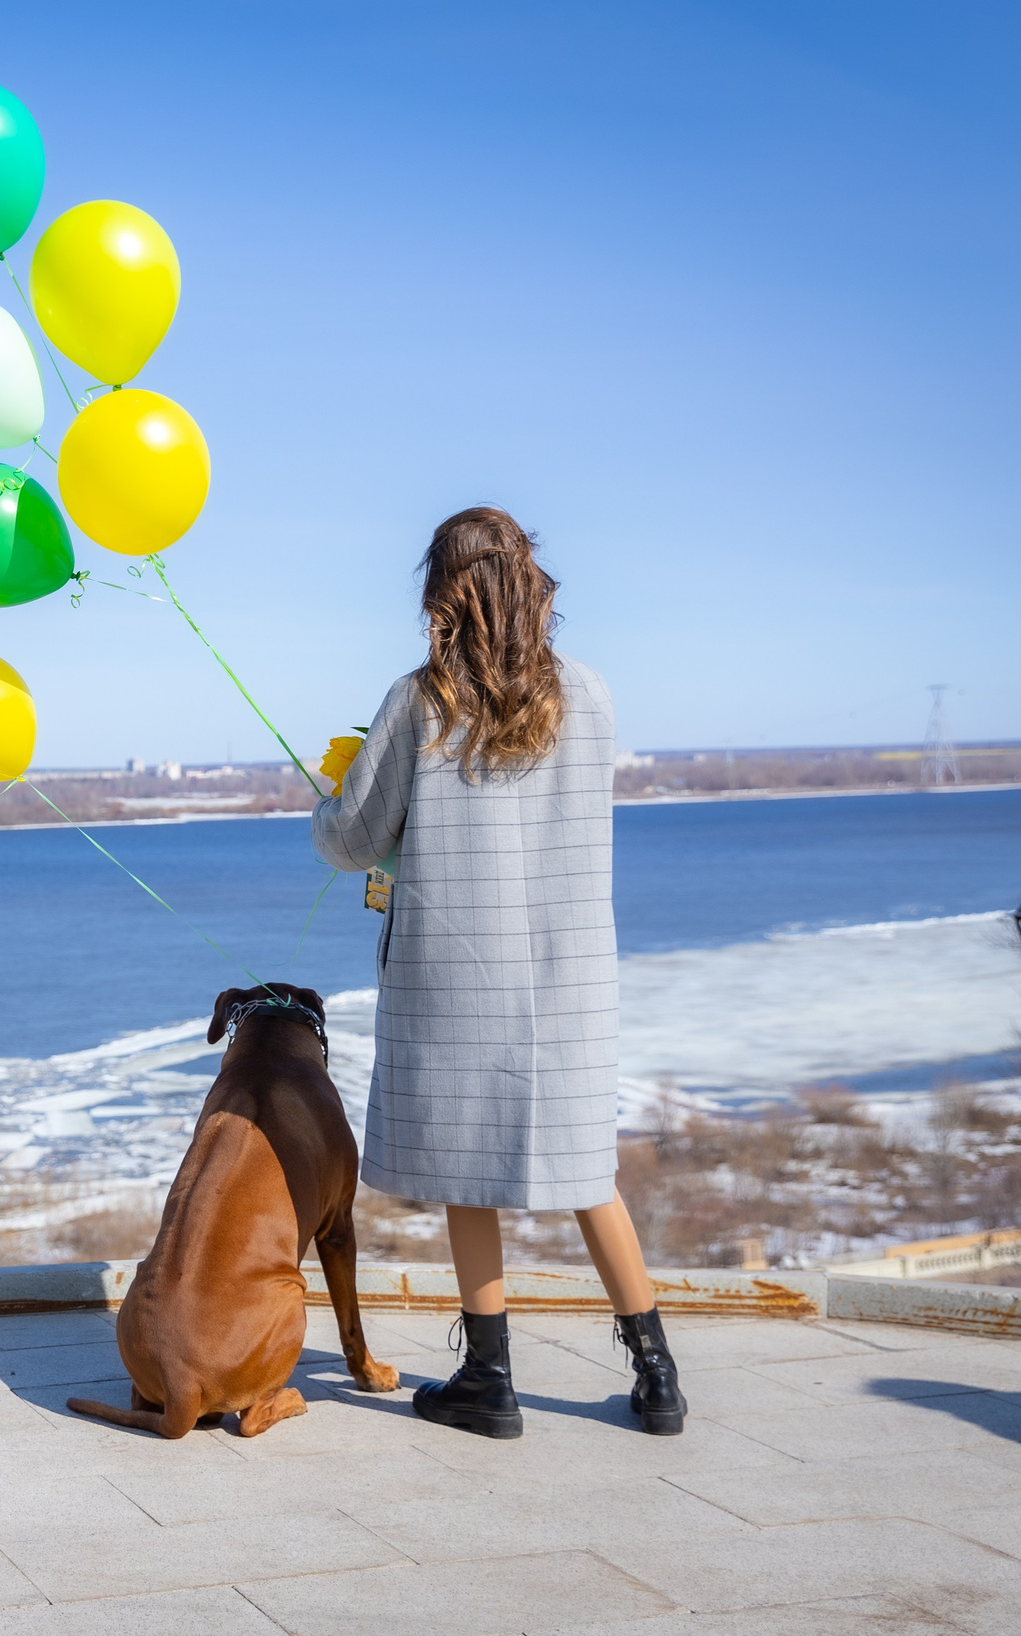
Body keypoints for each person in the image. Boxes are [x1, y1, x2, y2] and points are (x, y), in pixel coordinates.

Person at [310, 506, 684, 1440]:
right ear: (528, 582)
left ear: (443, 593)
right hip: (567, 976)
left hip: (458, 974)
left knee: (468, 1169)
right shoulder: (589, 693)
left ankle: (491, 1376)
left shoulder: (421, 699)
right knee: (588, 1168)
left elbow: (354, 841)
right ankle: (658, 1375)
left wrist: (338, 784)